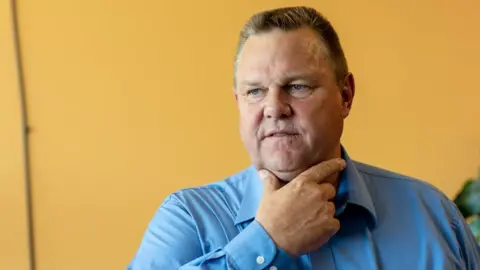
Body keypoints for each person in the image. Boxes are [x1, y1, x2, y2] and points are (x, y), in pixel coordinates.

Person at [127, 6, 480, 270]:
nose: (273, 108)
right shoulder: (190, 218)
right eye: (254, 92)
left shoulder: (432, 215)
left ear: (346, 96)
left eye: (297, 87)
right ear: (238, 102)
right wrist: (265, 243)